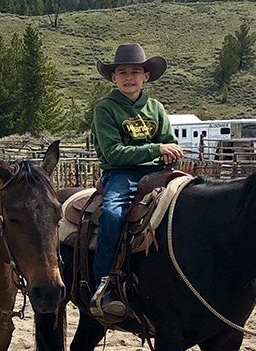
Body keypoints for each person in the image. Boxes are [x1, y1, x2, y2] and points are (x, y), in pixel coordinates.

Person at [89, 43, 184, 319]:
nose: (129, 77)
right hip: (121, 174)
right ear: (113, 78)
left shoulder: (154, 107)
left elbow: (168, 140)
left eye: (135, 72)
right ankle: (104, 286)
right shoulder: (106, 108)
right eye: (122, 72)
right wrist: (157, 150)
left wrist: (171, 150)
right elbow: (113, 152)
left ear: (146, 77)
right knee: (111, 213)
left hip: (158, 173)